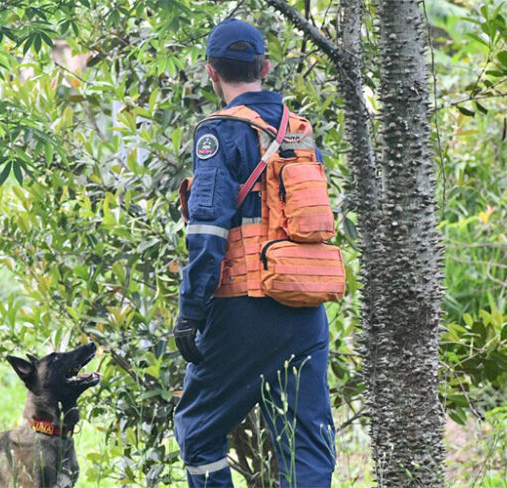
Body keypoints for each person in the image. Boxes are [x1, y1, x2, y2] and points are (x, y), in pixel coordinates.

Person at [172, 18, 337, 488]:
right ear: (265, 67)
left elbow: (206, 231)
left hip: (243, 308)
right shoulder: (299, 133)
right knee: (305, 445)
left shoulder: (218, 134)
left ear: (211, 73)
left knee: (198, 432)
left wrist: (190, 312)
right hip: (305, 312)